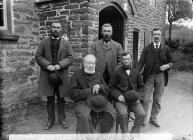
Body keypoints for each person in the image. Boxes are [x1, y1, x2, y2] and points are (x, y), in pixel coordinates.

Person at [35, 21, 73, 130]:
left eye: (58, 27)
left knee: (61, 98)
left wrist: (59, 66)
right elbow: (38, 56)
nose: (56, 29)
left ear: (61, 29)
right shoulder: (44, 42)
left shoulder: (66, 43)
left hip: (61, 75)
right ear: (50, 28)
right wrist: (48, 66)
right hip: (48, 75)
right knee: (50, 98)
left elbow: (70, 57)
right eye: (54, 27)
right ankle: (50, 120)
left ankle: (62, 119)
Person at [69, 54, 116, 133]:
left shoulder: (98, 74)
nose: (91, 65)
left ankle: (103, 134)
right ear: (84, 64)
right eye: (88, 63)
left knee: (111, 113)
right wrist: (90, 90)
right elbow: (72, 94)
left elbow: (107, 90)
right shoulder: (76, 75)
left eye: (93, 63)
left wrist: (100, 86)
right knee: (85, 116)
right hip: (82, 102)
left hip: (97, 101)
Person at [137, 28, 173, 127]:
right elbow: (140, 63)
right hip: (148, 76)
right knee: (145, 99)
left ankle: (153, 118)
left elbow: (171, 62)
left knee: (157, 99)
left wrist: (167, 66)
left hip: (161, 76)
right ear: (152, 36)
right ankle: (143, 119)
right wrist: (135, 74)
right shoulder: (147, 48)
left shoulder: (166, 48)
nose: (156, 36)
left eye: (158, 34)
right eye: (155, 34)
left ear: (161, 36)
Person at [109, 52, 145, 133]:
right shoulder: (116, 72)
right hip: (121, 100)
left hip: (134, 100)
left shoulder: (136, 72)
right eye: (124, 59)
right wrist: (118, 96)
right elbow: (111, 87)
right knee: (123, 114)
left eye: (128, 59)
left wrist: (138, 96)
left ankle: (134, 132)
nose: (126, 61)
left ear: (131, 60)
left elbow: (142, 87)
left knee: (142, 114)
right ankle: (124, 134)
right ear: (122, 60)